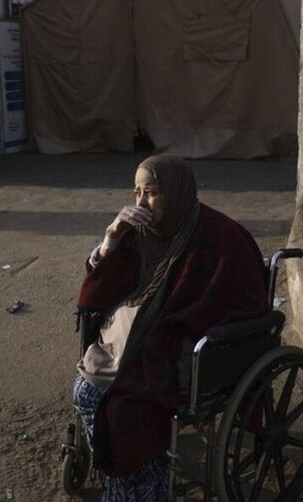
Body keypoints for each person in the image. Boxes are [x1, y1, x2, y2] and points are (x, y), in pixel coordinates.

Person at [72, 155, 270, 500]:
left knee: (124, 410)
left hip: (177, 350)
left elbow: (239, 305)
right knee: (87, 392)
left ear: (175, 192)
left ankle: (141, 482)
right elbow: (100, 288)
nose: (140, 204)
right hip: (130, 342)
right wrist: (112, 236)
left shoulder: (219, 236)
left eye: (150, 193)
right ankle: (126, 474)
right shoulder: (140, 231)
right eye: (136, 193)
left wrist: (168, 327)